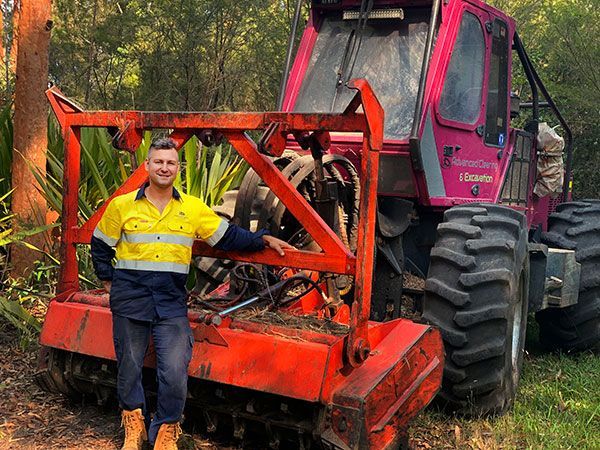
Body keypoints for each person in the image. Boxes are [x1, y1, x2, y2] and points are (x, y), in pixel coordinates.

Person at [91, 137, 292, 450]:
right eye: (158, 161)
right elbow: (100, 244)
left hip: (170, 303)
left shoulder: (193, 209)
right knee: (129, 367)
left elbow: (228, 237)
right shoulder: (122, 206)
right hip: (131, 300)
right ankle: (134, 426)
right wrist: (108, 281)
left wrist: (262, 240)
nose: (164, 167)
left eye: (171, 163)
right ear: (147, 166)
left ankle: (165, 432)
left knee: (173, 370)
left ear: (178, 169)